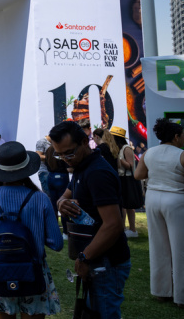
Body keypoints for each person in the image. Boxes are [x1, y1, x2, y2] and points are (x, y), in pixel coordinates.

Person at [0, 141, 63, 318]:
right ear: (26, 169)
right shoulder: (40, 198)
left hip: (1, 270)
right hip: (34, 270)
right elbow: (57, 243)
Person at [52, 120, 130, 319]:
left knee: (104, 313)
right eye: (59, 154)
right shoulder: (82, 165)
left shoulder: (97, 172)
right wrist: (61, 203)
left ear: (85, 142)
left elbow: (114, 225)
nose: (65, 159)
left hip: (106, 261)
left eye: (69, 152)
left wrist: (84, 256)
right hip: (97, 257)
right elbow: (65, 195)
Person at [133, 118, 184, 308]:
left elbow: (138, 175)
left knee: (158, 246)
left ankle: (161, 292)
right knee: (183, 249)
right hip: (177, 201)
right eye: (183, 136)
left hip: (154, 199)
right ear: (176, 136)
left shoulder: (149, 152)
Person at [110, 126, 141, 237]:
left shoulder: (126, 148)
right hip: (120, 178)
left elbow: (130, 166)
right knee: (122, 205)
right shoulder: (118, 148)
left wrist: (119, 160)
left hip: (127, 179)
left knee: (128, 205)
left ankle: (132, 229)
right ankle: (122, 228)